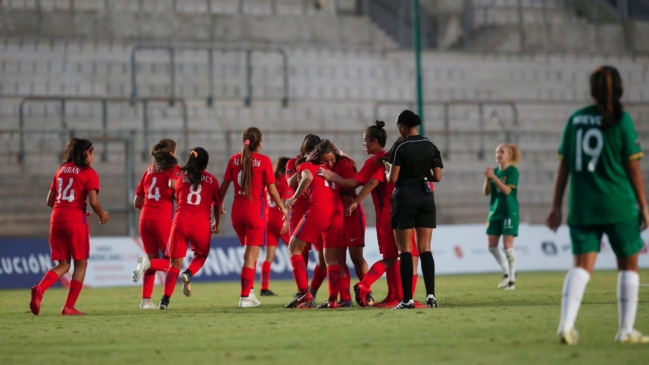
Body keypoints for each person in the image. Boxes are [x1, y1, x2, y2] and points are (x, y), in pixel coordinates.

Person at [546, 66, 649, 344]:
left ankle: (566, 326)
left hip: (583, 206)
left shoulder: (576, 119)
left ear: (592, 91)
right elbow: (633, 168)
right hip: (619, 205)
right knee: (628, 265)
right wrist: (644, 204)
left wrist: (556, 205)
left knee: (581, 265)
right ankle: (625, 331)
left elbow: (564, 166)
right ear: (619, 89)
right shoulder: (621, 120)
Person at [319, 121, 419, 308]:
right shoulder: (389, 160)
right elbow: (368, 181)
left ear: (374, 141)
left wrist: (333, 177)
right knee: (402, 256)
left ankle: (392, 295)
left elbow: (357, 183)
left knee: (394, 256)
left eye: (365, 141)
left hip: (386, 215)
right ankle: (396, 296)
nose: (363, 144)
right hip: (401, 212)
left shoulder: (375, 162)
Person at [30, 138, 109, 316]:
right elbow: (94, 201)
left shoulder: (61, 170)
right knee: (81, 264)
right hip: (75, 221)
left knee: (63, 264)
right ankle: (68, 307)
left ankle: (40, 289)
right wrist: (102, 214)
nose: (93, 157)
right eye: (93, 153)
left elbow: (50, 200)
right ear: (87, 153)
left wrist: (71, 209)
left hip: (57, 219)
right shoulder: (89, 173)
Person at [220, 127, 288, 308]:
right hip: (254, 212)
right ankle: (244, 297)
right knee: (251, 255)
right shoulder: (264, 161)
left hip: (236, 213)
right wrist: (283, 208)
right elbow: (272, 191)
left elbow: (224, 187)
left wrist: (218, 205)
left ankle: (250, 292)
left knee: (253, 252)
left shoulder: (234, 159)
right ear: (259, 143)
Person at [386, 110, 443, 309]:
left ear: (402, 126)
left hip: (405, 198)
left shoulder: (401, 147)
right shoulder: (431, 145)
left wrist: (387, 172)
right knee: (425, 248)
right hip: (426, 198)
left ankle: (407, 299)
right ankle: (431, 296)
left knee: (405, 251)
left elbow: (392, 179)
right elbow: (437, 176)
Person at [285, 140, 345, 309]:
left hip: (319, 211)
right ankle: (333, 299)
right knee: (331, 259)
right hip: (336, 212)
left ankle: (303, 293)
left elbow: (308, 177)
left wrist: (294, 198)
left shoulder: (306, 166)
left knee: (293, 249)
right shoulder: (328, 169)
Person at [159, 147, 221, 310]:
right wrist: (217, 223)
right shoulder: (212, 181)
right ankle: (188, 273)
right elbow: (218, 207)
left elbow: (178, 201)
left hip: (180, 222)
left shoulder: (181, 179)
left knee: (173, 264)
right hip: (200, 223)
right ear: (206, 164)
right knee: (201, 254)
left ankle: (164, 300)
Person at [131, 139, 181, 309]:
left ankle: (146, 301)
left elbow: (137, 202)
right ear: (171, 153)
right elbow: (174, 186)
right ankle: (147, 265)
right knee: (172, 262)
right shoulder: (174, 170)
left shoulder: (148, 171)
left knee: (152, 258)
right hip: (161, 220)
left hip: (144, 219)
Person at [483, 143, 521, 290]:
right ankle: (507, 271)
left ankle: (511, 279)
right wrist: (488, 179)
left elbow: (507, 191)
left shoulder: (513, 171)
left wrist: (494, 178)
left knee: (507, 246)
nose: (498, 154)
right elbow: (486, 192)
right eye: (497, 151)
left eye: (501, 152)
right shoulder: (495, 172)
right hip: (495, 211)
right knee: (491, 246)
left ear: (509, 155)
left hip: (509, 211)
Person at [260, 157, 293, 296]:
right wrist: (286, 221)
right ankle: (303, 287)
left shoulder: (270, 181)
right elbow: (286, 201)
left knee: (269, 257)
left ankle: (264, 287)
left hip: (268, 220)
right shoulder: (284, 180)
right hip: (280, 220)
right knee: (295, 251)